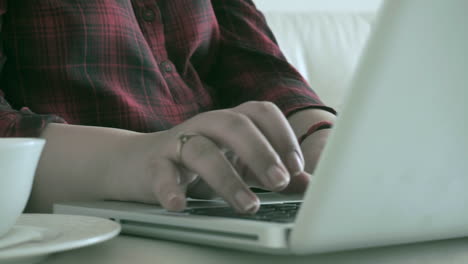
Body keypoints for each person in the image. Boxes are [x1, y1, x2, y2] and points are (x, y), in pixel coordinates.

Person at [0, 0, 336, 214]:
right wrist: (137, 157)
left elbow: (250, 59)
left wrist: (320, 134)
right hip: (86, 217)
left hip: (221, 202)